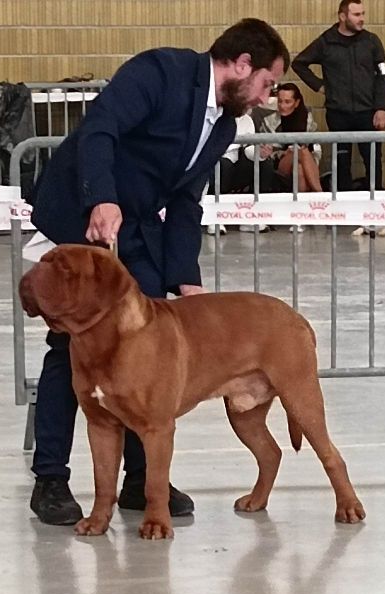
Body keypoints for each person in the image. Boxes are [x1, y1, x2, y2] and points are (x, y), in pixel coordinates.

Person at [26, 20, 290, 525]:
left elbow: (187, 202)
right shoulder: (160, 72)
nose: (266, 97)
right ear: (242, 65)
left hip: (137, 227)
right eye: (267, 83)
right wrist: (101, 198)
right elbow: (99, 129)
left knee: (147, 348)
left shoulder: (223, 125)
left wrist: (186, 278)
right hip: (83, 209)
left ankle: (142, 481)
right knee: (71, 346)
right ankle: (51, 478)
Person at [291, 0, 385, 193]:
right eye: (356, 15)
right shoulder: (326, 41)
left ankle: (376, 201)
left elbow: (383, 75)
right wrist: (319, 86)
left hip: (368, 112)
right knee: (341, 162)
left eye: (363, 14)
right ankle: (343, 203)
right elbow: (299, 64)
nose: (362, 19)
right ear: (343, 16)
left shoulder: (371, 41)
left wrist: (382, 107)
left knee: (373, 160)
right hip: (338, 113)